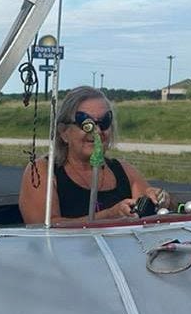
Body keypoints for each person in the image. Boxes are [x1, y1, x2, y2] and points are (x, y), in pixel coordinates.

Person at [18, 85, 169, 225]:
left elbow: (150, 215)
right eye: (86, 123)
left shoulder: (125, 171)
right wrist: (110, 215)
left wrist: (160, 199)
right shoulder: (42, 171)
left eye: (104, 122)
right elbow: (42, 227)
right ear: (64, 132)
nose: (97, 131)